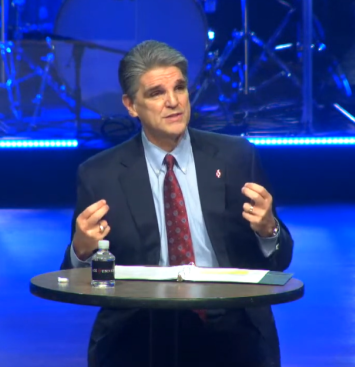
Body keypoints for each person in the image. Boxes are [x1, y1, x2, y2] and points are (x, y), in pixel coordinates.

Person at [60, 40, 294, 367]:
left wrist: (269, 230)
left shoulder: (236, 156)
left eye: (180, 88)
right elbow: (75, 277)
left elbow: (280, 261)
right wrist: (81, 250)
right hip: (140, 328)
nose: (173, 102)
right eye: (157, 93)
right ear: (131, 105)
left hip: (230, 325)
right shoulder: (100, 174)